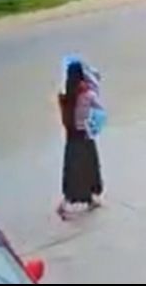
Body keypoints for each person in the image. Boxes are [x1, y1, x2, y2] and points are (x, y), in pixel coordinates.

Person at [57, 61, 104, 220]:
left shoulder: (65, 98)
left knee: (73, 173)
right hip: (85, 136)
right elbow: (98, 103)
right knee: (89, 170)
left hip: (72, 139)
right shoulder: (88, 95)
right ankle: (89, 199)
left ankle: (67, 202)